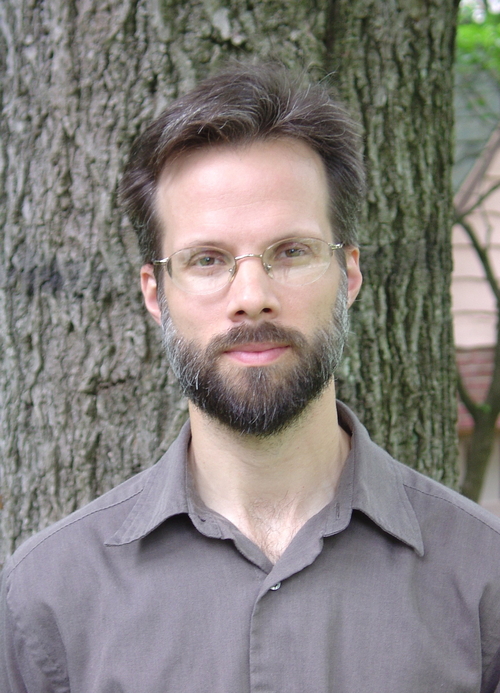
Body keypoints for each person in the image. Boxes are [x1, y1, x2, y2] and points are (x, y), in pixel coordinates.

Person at [1, 62, 500, 693]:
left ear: (348, 276)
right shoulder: (46, 599)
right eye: (207, 260)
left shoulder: (485, 579)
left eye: (291, 252)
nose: (252, 297)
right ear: (156, 293)